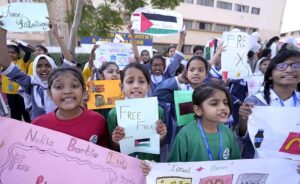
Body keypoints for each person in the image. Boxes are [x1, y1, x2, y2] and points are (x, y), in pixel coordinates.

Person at [238, 49, 300, 158]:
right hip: (262, 165)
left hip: (294, 168)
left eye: (296, 66)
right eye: (282, 66)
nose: (290, 70)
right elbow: (246, 138)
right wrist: (243, 119)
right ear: (270, 75)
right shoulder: (255, 101)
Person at [32, 67, 109, 147]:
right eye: (58, 87)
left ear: (84, 91)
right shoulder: (38, 125)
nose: (67, 91)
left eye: (74, 86)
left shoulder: (98, 120)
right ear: (49, 94)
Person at [107, 63, 167, 161]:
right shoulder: (113, 114)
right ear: (121, 86)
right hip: (125, 164)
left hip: (150, 164)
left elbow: (160, 142)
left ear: (148, 86)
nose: (136, 86)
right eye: (130, 81)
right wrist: (116, 141)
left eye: (141, 81)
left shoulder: (158, 111)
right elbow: (113, 146)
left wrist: (162, 136)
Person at [168, 83, 240, 162]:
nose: (223, 107)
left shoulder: (227, 132)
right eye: (214, 103)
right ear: (198, 110)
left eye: (226, 103)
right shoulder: (185, 135)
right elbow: (173, 166)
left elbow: (236, 162)